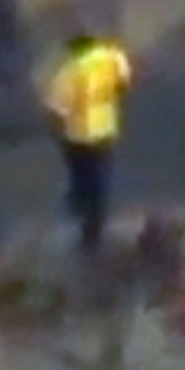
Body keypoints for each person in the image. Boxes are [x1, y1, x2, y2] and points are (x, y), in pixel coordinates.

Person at [42, 25, 134, 254]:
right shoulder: (111, 57)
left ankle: (86, 224)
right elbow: (123, 80)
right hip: (105, 128)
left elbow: (56, 107)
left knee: (82, 177)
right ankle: (98, 220)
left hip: (80, 134)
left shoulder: (71, 71)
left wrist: (56, 131)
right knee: (101, 175)